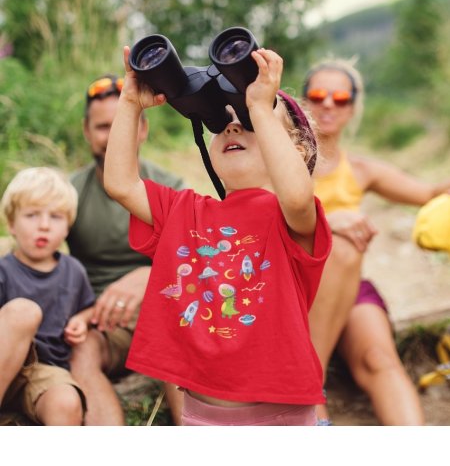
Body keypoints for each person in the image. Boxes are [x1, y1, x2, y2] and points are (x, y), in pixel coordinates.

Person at [103, 45, 332, 426]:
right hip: (199, 413)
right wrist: (130, 102)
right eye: (220, 121)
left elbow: (296, 191)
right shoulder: (185, 211)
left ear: (296, 150)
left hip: (280, 415)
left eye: (247, 120)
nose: (232, 125)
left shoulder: (291, 217)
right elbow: (121, 183)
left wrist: (260, 105)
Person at [301, 58, 450, 425]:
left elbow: (431, 192)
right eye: (318, 95)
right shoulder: (277, 161)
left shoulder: (362, 170)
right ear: (302, 101)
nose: (329, 104)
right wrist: (325, 222)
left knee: (379, 359)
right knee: (346, 242)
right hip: (289, 288)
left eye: (341, 97)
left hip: (346, 288)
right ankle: (308, 394)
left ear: (354, 107)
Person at [67, 74, 187, 426]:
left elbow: (196, 258)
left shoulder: (170, 186)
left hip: (166, 310)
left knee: (174, 325)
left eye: (123, 123)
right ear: (88, 132)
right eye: (104, 127)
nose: (111, 136)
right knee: (82, 349)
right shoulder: (69, 192)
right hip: (102, 323)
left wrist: (149, 274)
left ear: (143, 129)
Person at [0, 167, 95, 425]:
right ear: (11, 224)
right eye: (31, 215)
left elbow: (88, 307)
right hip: (4, 360)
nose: (44, 225)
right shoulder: (4, 270)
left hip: (44, 370)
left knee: (66, 402)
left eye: (55, 217)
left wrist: (82, 320)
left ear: (67, 228)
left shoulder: (73, 271)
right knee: (22, 311)